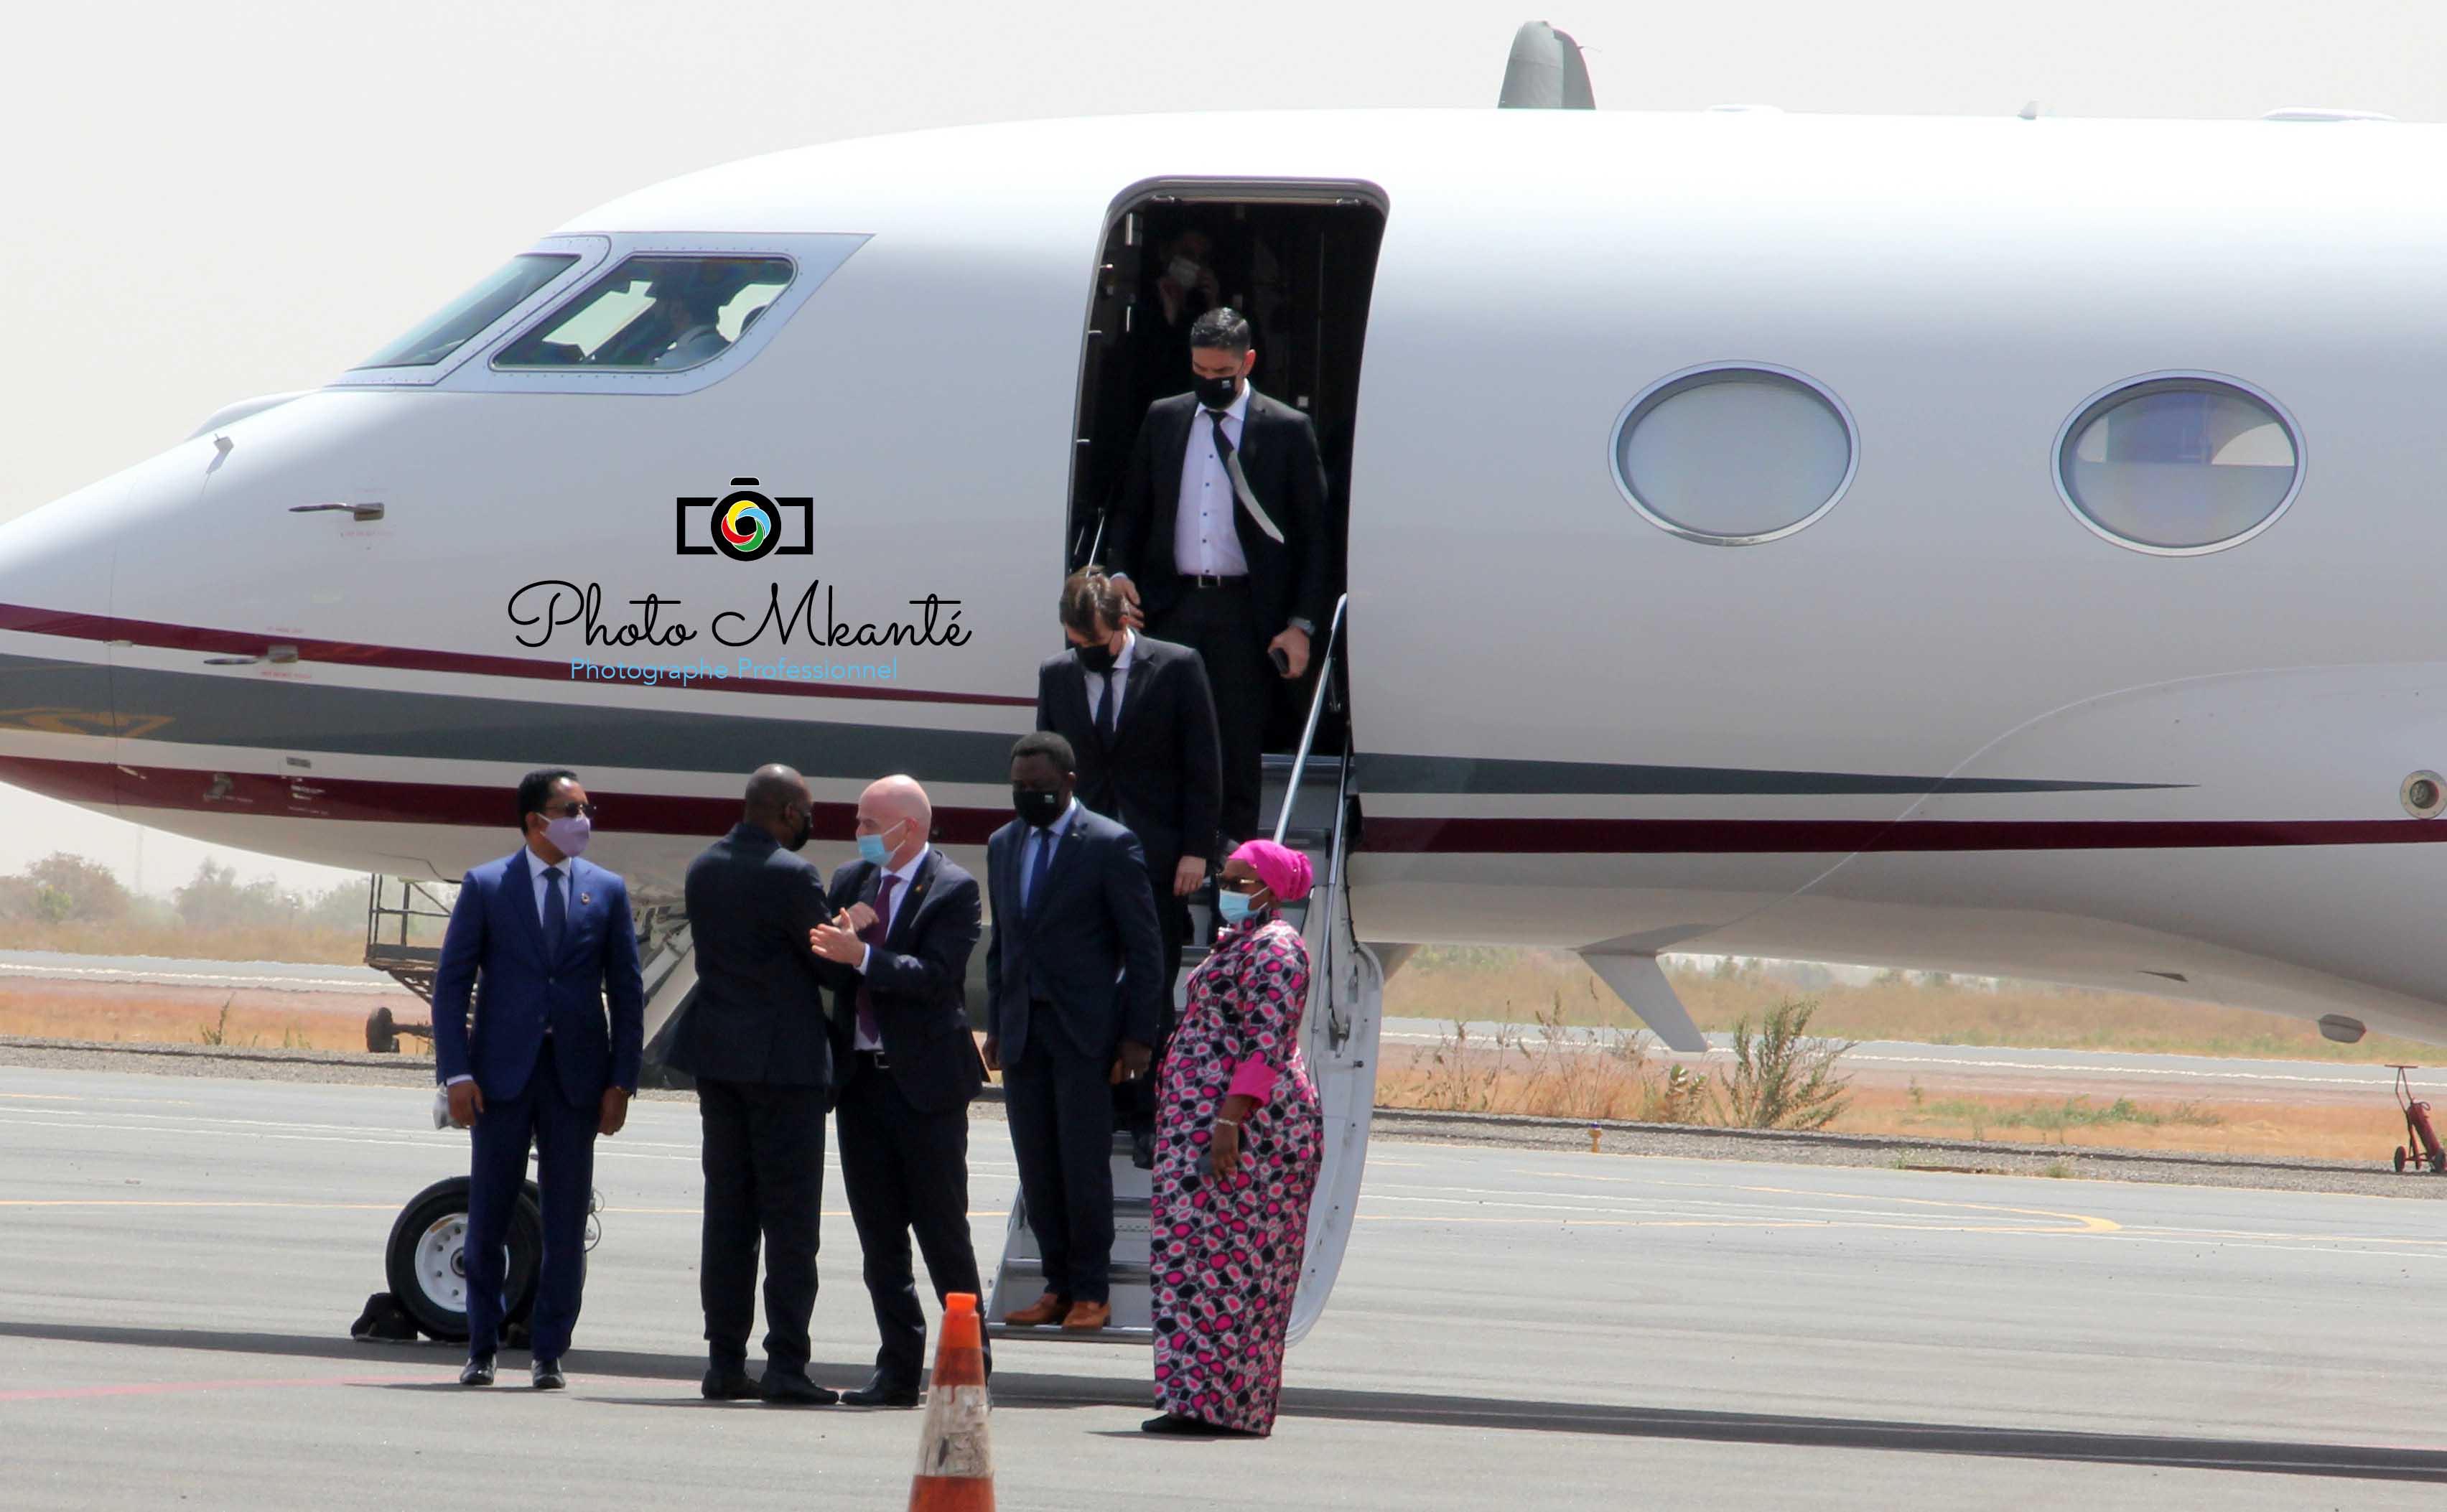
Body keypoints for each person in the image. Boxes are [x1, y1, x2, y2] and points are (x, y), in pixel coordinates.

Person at [431, 768, 644, 1391]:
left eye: (586, 808)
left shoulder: (606, 890)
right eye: (571, 809)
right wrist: (456, 1074)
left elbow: (627, 993)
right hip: (499, 1078)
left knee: (565, 1221)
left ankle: (549, 1350)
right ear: (534, 821)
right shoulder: (486, 885)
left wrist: (622, 1082)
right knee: (490, 1214)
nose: (584, 819)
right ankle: (481, 1346)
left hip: (576, 1080)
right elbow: (452, 987)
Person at [1103, 306, 1334, 843]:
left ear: (1247, 362)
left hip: (1245, 612)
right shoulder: (1165, 418)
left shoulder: (1286, 429)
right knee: (1160, 737)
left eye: (1221, 373)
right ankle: (1164, 859)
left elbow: (1316, 539)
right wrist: (1118, 573)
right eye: (1200, 371)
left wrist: (1301, 624)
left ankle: (1232, 865)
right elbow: (1132, 507)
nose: (1210, 382)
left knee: (1235, 745)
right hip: (1171, 604)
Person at [806, 775, 990, 1407]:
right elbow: (825, 969)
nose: (857, 833)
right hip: (861, 1083)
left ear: (907, 828)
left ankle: (971, 1366)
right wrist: (836, 940)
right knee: (879, 1239)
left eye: (867, 823)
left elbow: (936, 977)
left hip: (926, 1088)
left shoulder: (953, 887)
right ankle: (898, 1369)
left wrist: (860, 955)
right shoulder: (850, 881)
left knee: (943, 1234)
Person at [666, 764, 842, 1405]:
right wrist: (854, 934)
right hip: (784, 1069)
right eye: (807, 811)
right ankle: (787, 1364)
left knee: (729, 1219)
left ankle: (724, 1362)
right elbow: (829, 968)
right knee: (791, 1225)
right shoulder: (793, 875)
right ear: (789, 812)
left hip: (720, 1062)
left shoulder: (703, 867)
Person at [1036, 566, 1222, 1165]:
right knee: (1088, 983)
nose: (1084, 653)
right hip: (1081, 859)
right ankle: (1101, 1105)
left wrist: (1196, 849)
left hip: (1155, 856)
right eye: (1076, 643)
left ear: (1122, 625)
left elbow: (1202, 764)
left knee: (1149, 984)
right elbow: (1046, 763)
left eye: (1093, 642)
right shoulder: (1057, 675)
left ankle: (1147, 1113)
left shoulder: (1176, 667)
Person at [982, 732, 1165, 1331]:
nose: (1026, 795)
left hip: (1085, 1033)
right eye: (1018, 786)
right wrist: (996, 1021)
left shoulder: (1110, 844)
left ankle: (1092, 1291)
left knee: (1082, 1167)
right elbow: (1004, 943)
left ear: (1067, 782)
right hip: (1024, 1030)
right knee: (1037, 1167)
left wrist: (1138, 1036)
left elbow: (1144, 948)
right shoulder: (1004, 844)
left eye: (1037, 786)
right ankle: (1056, 1285)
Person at [1145, 839, 1324, 1438]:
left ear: (1271, 891)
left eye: (1239, 882)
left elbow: (1266, 1042)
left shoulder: (1278, 949)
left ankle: (1226, 1405)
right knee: (1192, 1262)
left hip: (1251, 1134)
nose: (1226, 890)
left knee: (1236, 1267)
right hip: (1204, 1126)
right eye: (1224, 880)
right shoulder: (1239, 943)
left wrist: (1229, 1121)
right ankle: (1193, 1398)